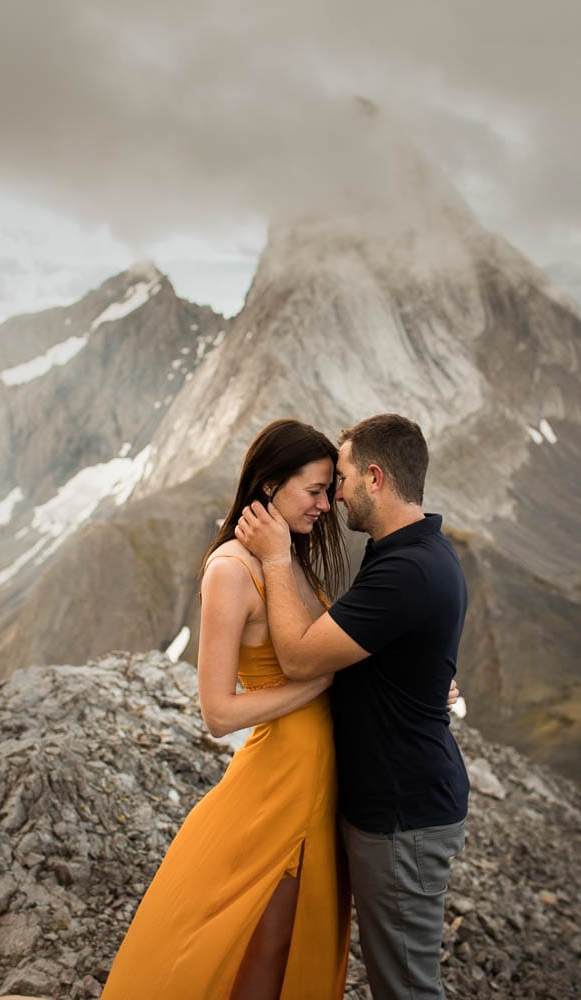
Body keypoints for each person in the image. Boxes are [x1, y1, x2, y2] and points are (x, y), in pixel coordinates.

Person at [102, 418, 352, 999]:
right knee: (260, 945)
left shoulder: (285, 556)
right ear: (269, 485)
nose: (327, 504)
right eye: (314, 490)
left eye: (327, 490)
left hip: (315, 778)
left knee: (284, 941)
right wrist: (317, 687)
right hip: (277, 782)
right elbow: (217, 712)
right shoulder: (231, 569)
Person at [236, 413, 469, 1000]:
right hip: (397, 805)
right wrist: (419, 683)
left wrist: (272, 556)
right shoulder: (411, 552)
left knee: (407, 989)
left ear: (373, 477)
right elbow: (381, 648)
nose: (334, 495)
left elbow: (300, 658)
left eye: (338, 479)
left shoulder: (406, 570)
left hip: (402, 815)